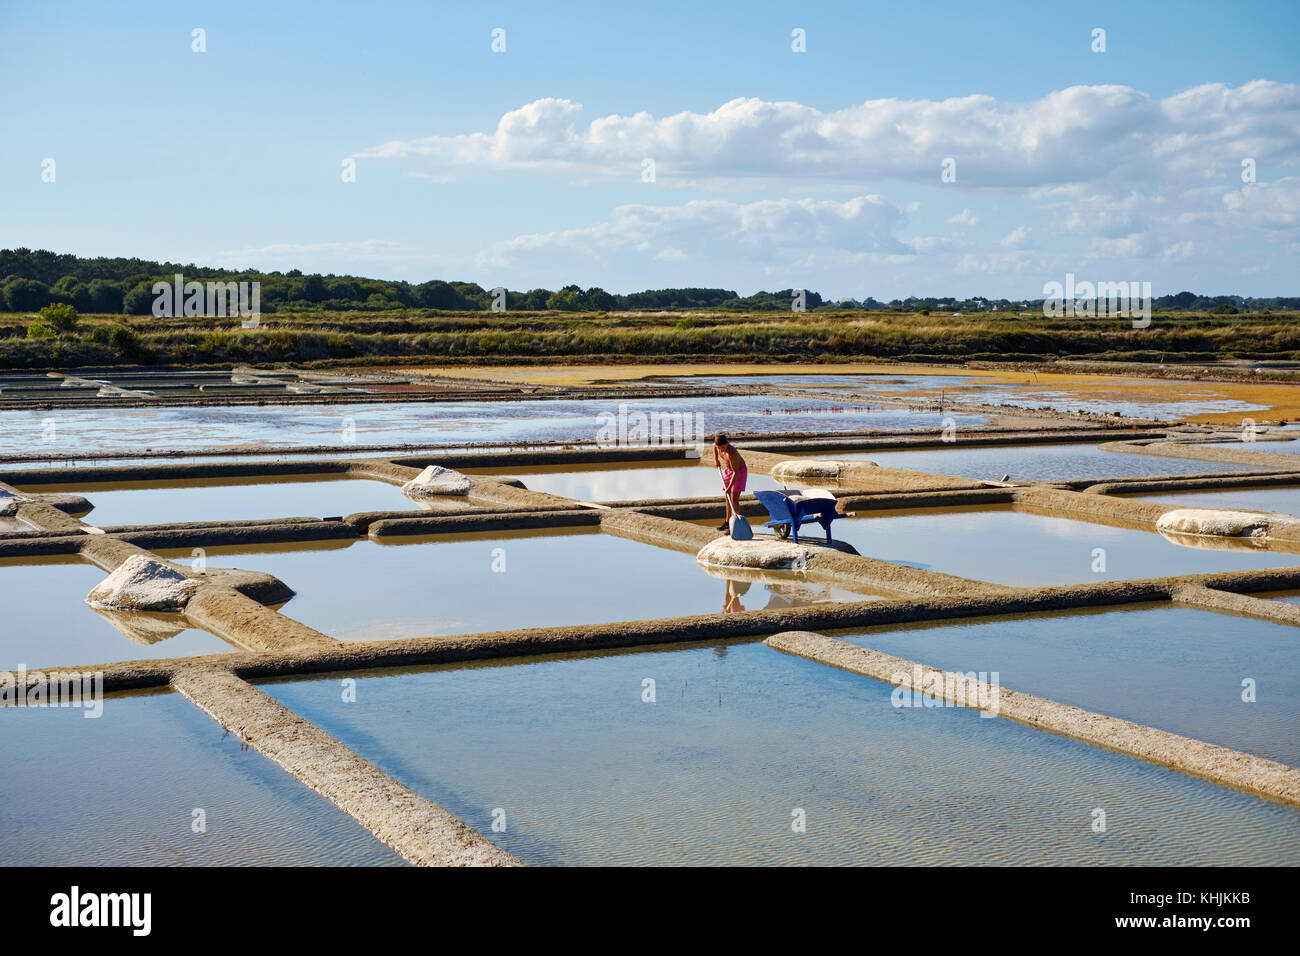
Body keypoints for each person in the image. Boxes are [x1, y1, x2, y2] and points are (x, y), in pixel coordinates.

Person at [712, 433, 747, 531]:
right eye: (720, 448)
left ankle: (736, 525)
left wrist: (729, 488)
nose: (721, 450)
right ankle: (727, 523)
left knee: (734, 499)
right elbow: (714, 447)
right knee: (727, 498)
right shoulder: (717, 445)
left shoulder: (732, 454)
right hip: (728, 471)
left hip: (739, 472)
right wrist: (716, 460)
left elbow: (736, 473)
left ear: (727, 443)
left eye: (723, 447)